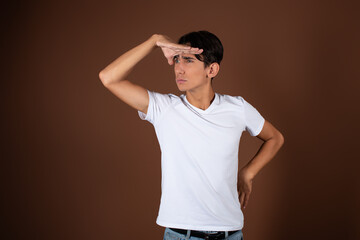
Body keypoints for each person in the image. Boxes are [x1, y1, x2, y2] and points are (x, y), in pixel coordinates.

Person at [99, 31, 284, 240]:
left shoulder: (237, 108)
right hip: (181, 234)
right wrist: (153, 42)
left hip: (230, 233)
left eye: (188, 60)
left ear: (211, 69)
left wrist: (247, 173)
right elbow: (109, 77)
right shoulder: (164, 108)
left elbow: (275, 138)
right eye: (176, 59)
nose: (179, 67)